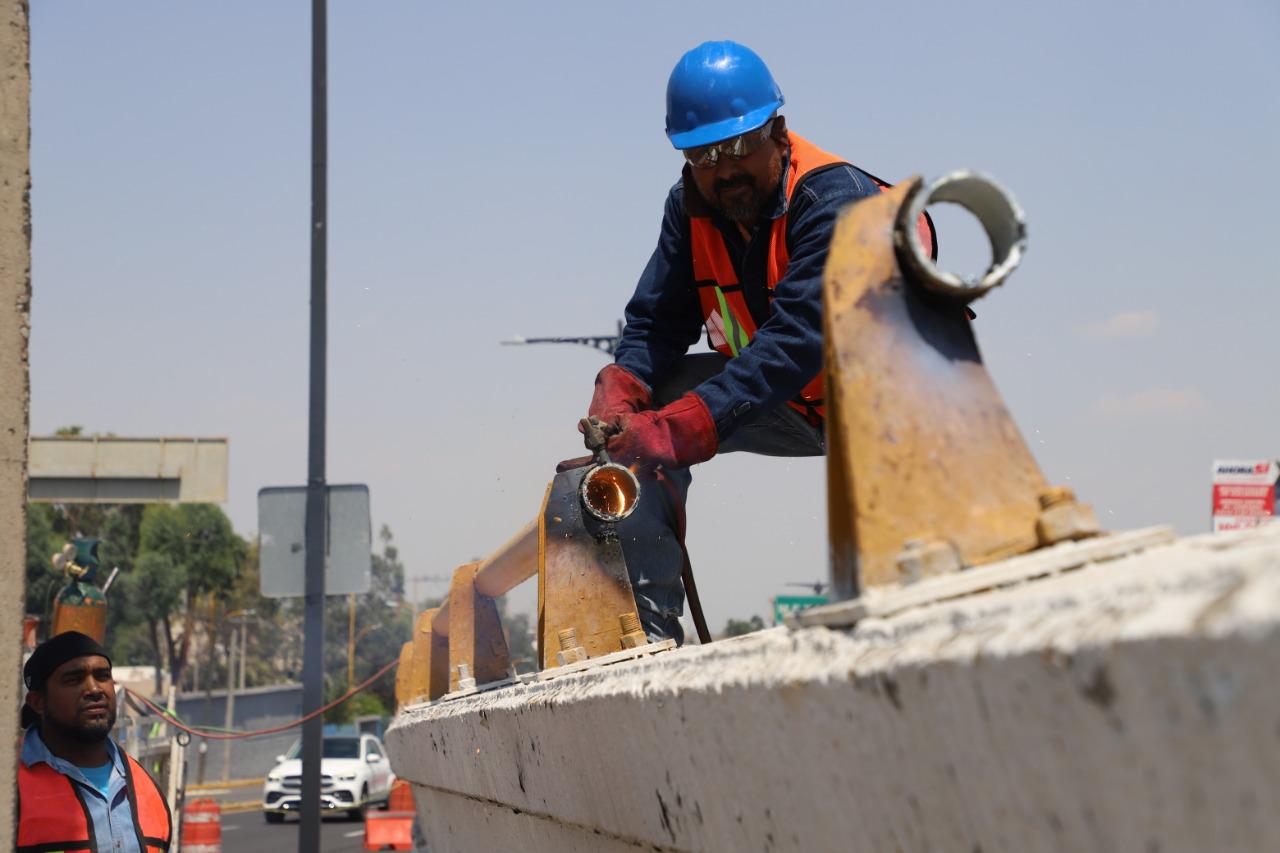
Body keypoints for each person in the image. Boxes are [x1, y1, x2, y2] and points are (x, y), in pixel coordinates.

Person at [568, 41, 936, 641]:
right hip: (790, 408)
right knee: (642, 419)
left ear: (780, 132)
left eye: (741, 145)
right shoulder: (689, 208)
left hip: (889, 411)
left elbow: (796, 343)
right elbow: (657, 323)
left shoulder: (834, 200)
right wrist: (622, 392)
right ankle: (646, 635)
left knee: (912, 599)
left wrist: (679, 429)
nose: (725, 167)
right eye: (704, 154)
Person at [18, 631, 172, 852]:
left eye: (102, 676)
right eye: (73, 679)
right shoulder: (11, 782)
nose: (94, 689)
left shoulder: (145, 787)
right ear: (38, 702)